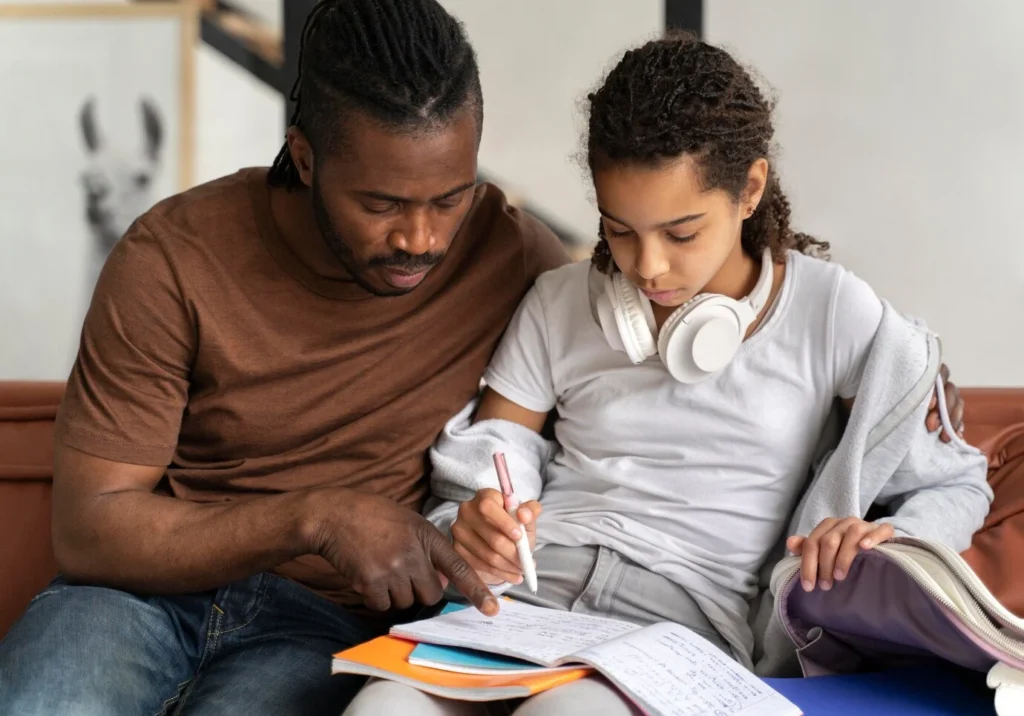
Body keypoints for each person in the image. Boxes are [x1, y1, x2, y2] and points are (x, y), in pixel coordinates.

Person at [342, 32, 991, 716]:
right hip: (525, 601)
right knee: (378, 708)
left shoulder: (833, 313)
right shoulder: (561, 301)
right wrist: (481, 520)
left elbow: (959, 483)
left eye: (681, 234)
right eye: (619, 231)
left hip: (680, 627)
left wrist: (891, 540)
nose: (647, 267)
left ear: (750, 189)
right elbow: (490, 452)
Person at [0, 2, 572, 714]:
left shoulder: (515, 260)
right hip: (134, 599)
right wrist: (316, 519)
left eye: (450, 198)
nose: (420, 238)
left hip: (323, 626)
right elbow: (89, 528)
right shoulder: (172, 258)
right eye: (382, 204)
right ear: (304, 158)